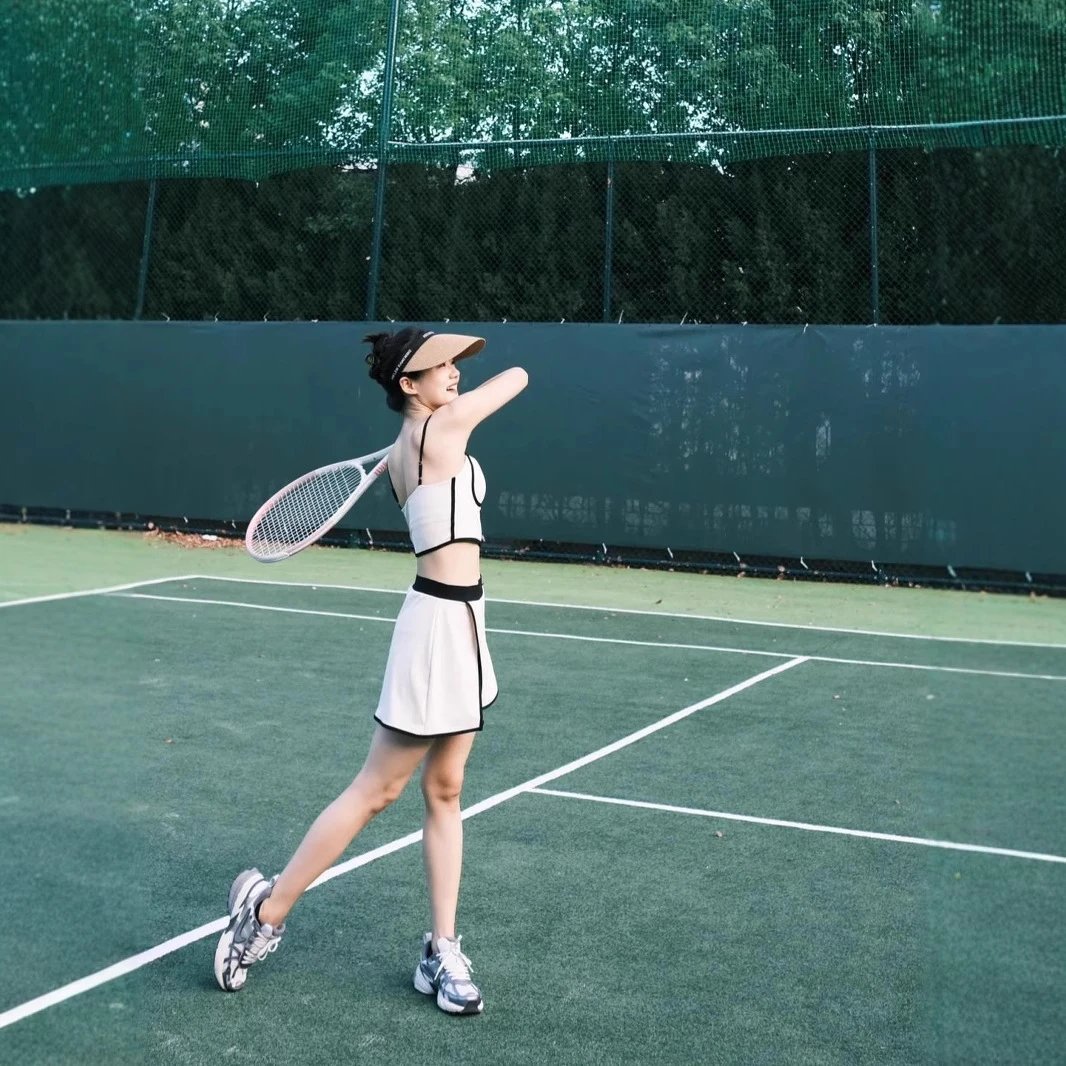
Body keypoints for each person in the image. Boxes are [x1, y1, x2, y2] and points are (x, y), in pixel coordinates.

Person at [213, 328, 528, 1015]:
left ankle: (440, 951)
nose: (455, 372)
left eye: (455, 363)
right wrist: (440, 412)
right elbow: (519, 378)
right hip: (434, 627)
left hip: (467, 621)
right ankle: (264, 914)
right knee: (377, 789)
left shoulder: (414, 442)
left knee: (446, 789)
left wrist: (421, 418)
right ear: (407, 384)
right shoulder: (439, 431)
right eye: (439, 365)